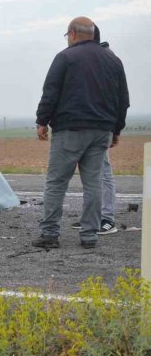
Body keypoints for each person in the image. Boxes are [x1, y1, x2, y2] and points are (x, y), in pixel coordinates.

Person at [32, 17, 129, 249]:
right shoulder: (113, 60)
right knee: (93, 183)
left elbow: (51, 91)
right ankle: (89, 236)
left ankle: (50, 234)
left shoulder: (65, 57)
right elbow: (123, 100)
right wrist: (116, 129)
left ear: (72, 34)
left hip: (70, 129)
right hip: (101, 131)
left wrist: (42, 121)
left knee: (56, 183)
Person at [70, 24, 118, 235]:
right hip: (90, 123)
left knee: (103, 171)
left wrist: (115, 126)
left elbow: (116, 94)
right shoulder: (100, 57)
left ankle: (106, 218)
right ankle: (92, 217)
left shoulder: (104, 58)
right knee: (92, 173)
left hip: (100, 124)